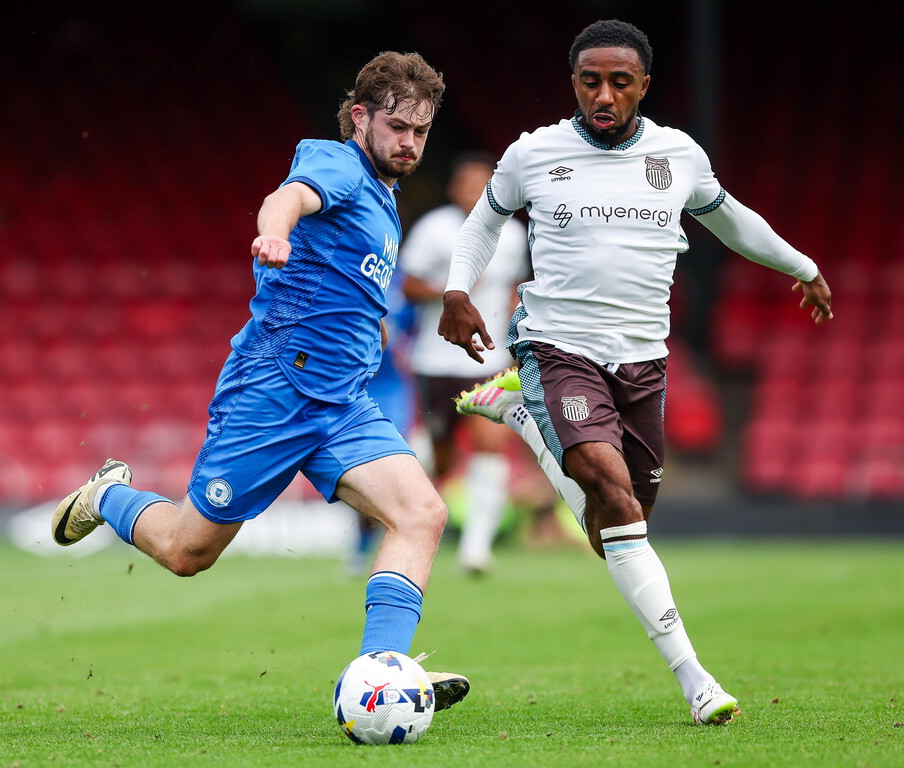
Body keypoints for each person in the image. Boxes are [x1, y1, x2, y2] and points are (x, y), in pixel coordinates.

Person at [438, 19, 833, 725]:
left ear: (643, 86)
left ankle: (522, 416)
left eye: (620, 81)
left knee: (616, 527)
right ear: (575, 84)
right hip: (559, 345)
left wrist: (800, 265)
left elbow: (731, 219)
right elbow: (482, 224)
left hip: (643, 359)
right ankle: (696, 679)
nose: (605, 93)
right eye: (591, 79)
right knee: (613, 496)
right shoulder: (534, 153)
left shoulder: (677, 155)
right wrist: (457, 290)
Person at [52, 51, 468, 712]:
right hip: (272, 393)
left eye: (421, 131)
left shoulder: (387, 201)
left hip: (341, 405)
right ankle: (111, 496)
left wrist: (373, 327)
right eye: (398, 126)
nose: (411, 143)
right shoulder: (339, 164)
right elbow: (287, 200)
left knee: (422, 513)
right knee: (188, 552)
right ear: (360, 117)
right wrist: (273, 235)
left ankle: (379, 674)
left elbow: (346, 281)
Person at [400, 152, 531, 573]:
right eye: (468, 184)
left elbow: (515, 289)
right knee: (436, 458)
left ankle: (477, 549)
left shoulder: (512, 234)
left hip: (490, 360)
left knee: (489, 448)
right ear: (454, 189)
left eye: (484, 184)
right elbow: (409, 284)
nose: (476, 193)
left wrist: (516, 335)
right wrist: (452, 293)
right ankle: (391, 518)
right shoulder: (434, 230)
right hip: (437, 360)